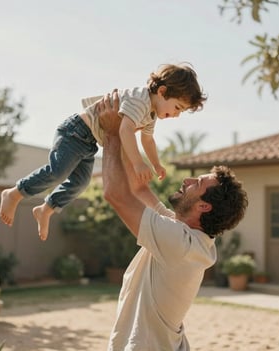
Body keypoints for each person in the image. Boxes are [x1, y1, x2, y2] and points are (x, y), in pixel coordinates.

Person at [99, 91, 248, 350]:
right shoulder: (186, 236)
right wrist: (127, 129)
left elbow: (115, 194)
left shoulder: (180, 243)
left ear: (203, 206)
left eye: (197, 183)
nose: (187, 181)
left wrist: (111, 135)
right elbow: (138, 190)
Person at [0, 63, 206, 240]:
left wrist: (156, 163)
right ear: (162, 92)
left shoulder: (150, 114)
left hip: (89, 143)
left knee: (80, 183)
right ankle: (15, 193)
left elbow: (147, 139)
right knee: (58, 172)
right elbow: (124, 131)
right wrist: (137, 163)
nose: (176, 115)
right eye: (177, 107)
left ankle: (46, 209)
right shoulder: (140, 100)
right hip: (76, 132)